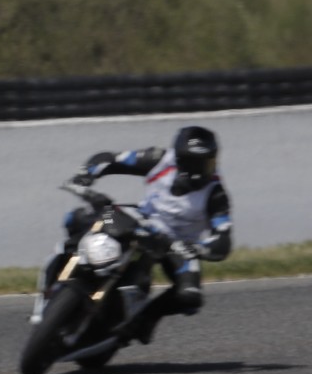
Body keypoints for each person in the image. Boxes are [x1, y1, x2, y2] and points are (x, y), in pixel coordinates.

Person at [40, 125, 233, 344]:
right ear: (179, 159)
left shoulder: (216, 194)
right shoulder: (159, 159)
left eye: (208, 162)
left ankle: (145, 319)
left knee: (189, 296)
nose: (204, 169)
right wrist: (85, 176)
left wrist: (199, 248)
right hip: (138, 219)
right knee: (83, 217)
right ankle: (58, 272)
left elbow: (223, 240)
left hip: (176, 245)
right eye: (196, 163)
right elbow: (109, 159)